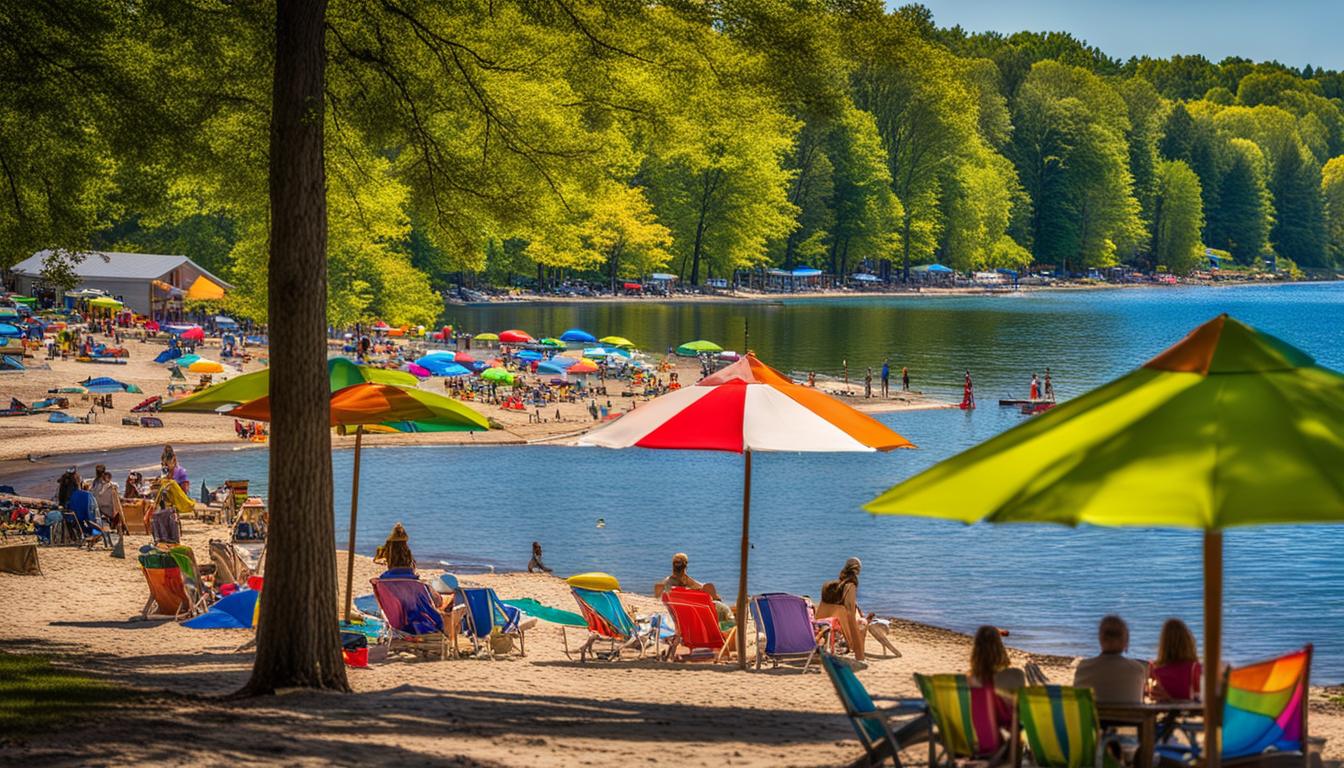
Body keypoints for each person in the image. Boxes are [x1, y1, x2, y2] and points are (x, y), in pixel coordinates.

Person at [814, 557, 901, 664]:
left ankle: (862, 631)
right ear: (857, 571)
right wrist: (859, 655)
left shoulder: (828, 587)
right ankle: (861, 655)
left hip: (820, 630)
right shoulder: (850, 586)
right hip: (840, 629)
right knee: (862, 626)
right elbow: (849, 615)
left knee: (861, 620)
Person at [1073, 615, 1148, 703]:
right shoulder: (1136, 669)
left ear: (1100, 638)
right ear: (1125, 640)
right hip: (1127, 717)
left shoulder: (1083, 667)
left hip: (1093, 717)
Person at [654, 553, 733, 626]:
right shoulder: (687, 580)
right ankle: (727, 625)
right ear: (686, 566)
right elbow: (703, 587)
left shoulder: (668, 582)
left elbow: (658, 593)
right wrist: (716, 597)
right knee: (722, 606)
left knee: (711, 593)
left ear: (673, 566)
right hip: (696, 614)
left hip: (681, 616)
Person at [1149, 618, 1201, 701]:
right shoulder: (1195, 669)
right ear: (1188, 641)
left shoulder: (1155, 670)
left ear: (1163, 644)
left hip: (1161, 712)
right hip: (1190, 712)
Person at [91, 469, 126, 534]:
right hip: (107, 510)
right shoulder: (110, 486)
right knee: (117, 513)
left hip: (100, 508)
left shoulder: (96, 485)